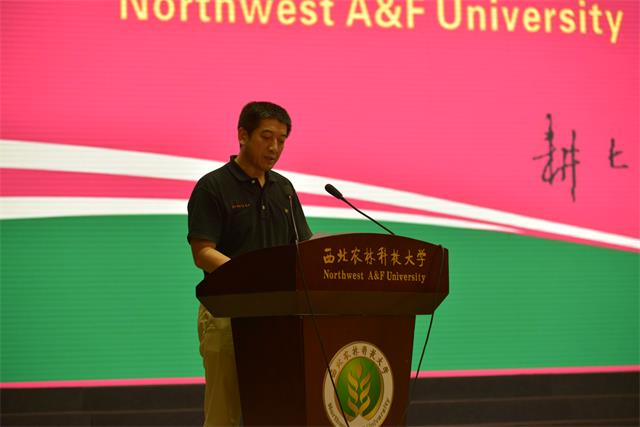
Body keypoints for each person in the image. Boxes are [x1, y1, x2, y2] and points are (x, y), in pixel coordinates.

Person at [187, 101, 312, 426]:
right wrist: (249, 277)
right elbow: (202, 251)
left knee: (274, 411)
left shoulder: (284, 189)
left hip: (276, 316)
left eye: (281, 140)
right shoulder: (213, 186)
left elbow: (301, 247)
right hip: (225, 313)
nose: (274, 148)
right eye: (266, 137)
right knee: (224, 415)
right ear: (243, 135)